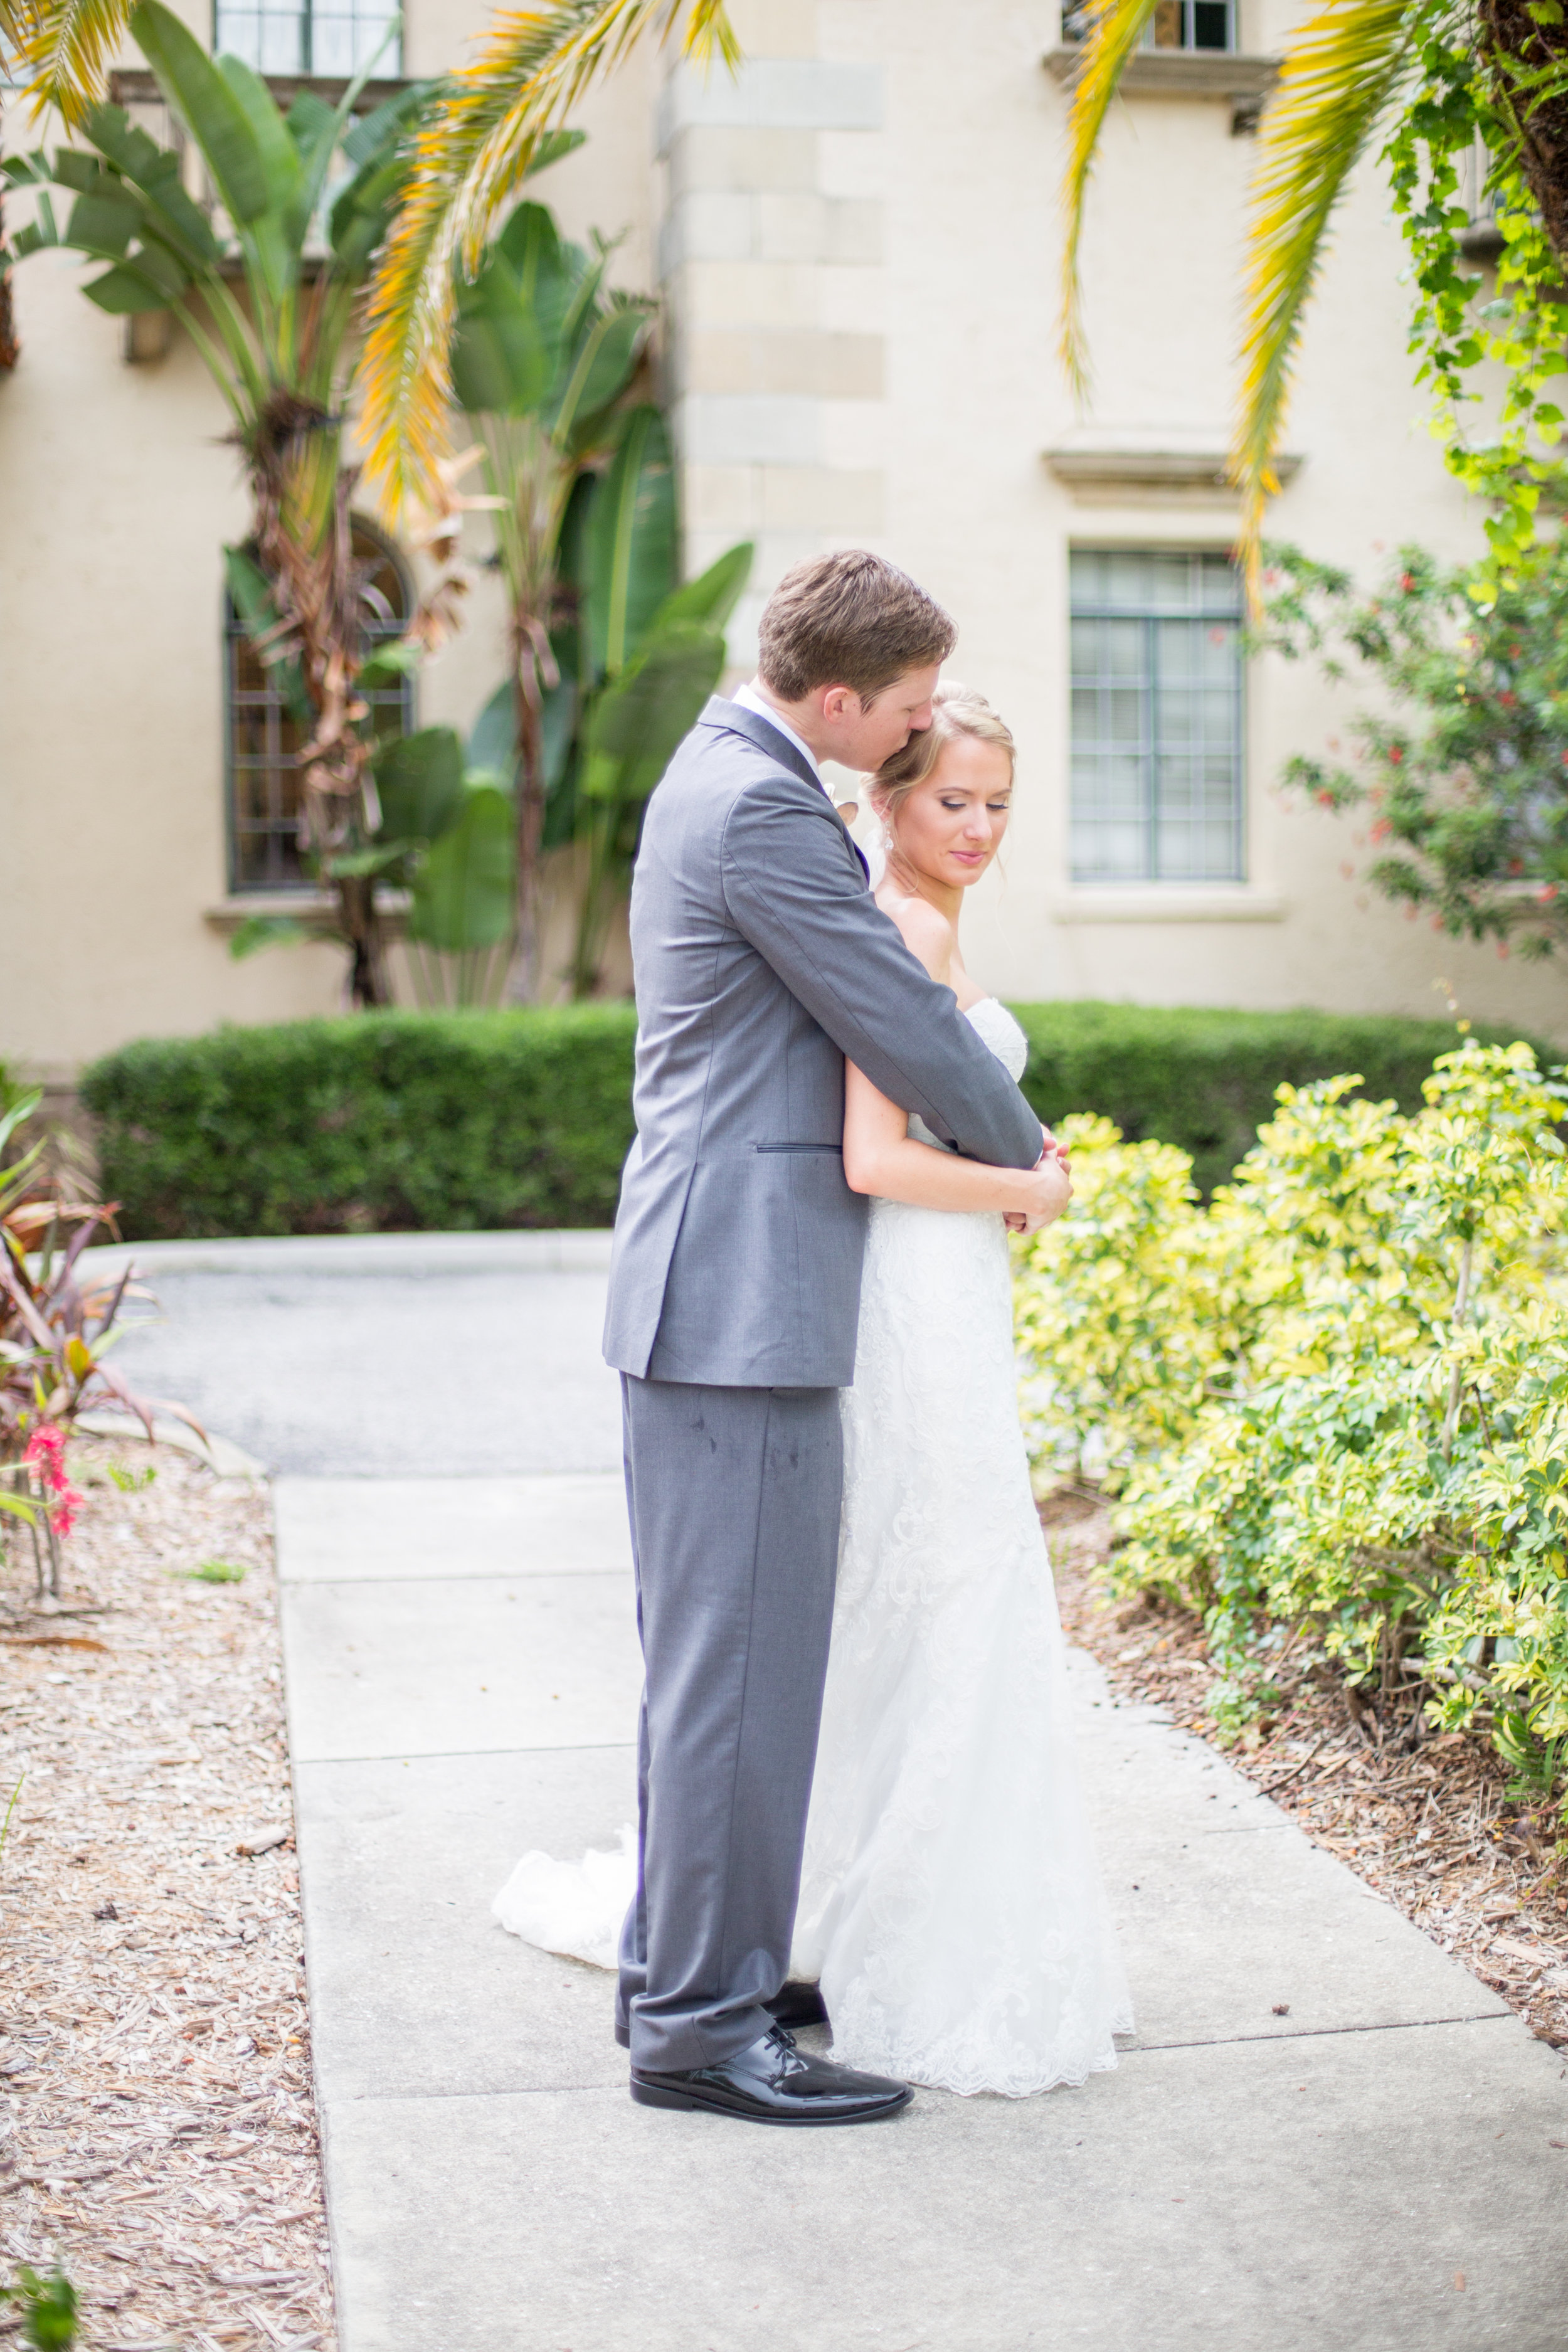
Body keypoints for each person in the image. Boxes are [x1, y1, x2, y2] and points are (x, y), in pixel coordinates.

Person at [499, 553, 1066, 2127]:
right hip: (737, 1307)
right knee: (737, 1680)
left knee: (716, 1676)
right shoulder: (758, 806)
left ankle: (688, 1974)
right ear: (833, 697)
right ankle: (700, 2031)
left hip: (718, 1297)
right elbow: (895, 1010)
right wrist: (1029, 1165)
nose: (905, 740)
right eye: (894, 713)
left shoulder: (729, 766)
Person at [788, 683, 1133, 2095]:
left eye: (997, 803)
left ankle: (872, 1909)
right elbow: (871, 1155)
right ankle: (923, 1949)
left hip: (947, 1291)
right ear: (888, 795)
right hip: (914, 1298)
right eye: (952, 800)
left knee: (938, 1592)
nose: (978, 826)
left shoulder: (917, 913)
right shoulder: (903, 923)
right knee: (952, 1586)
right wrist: (1027, 1188)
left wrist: (1012, 1156)